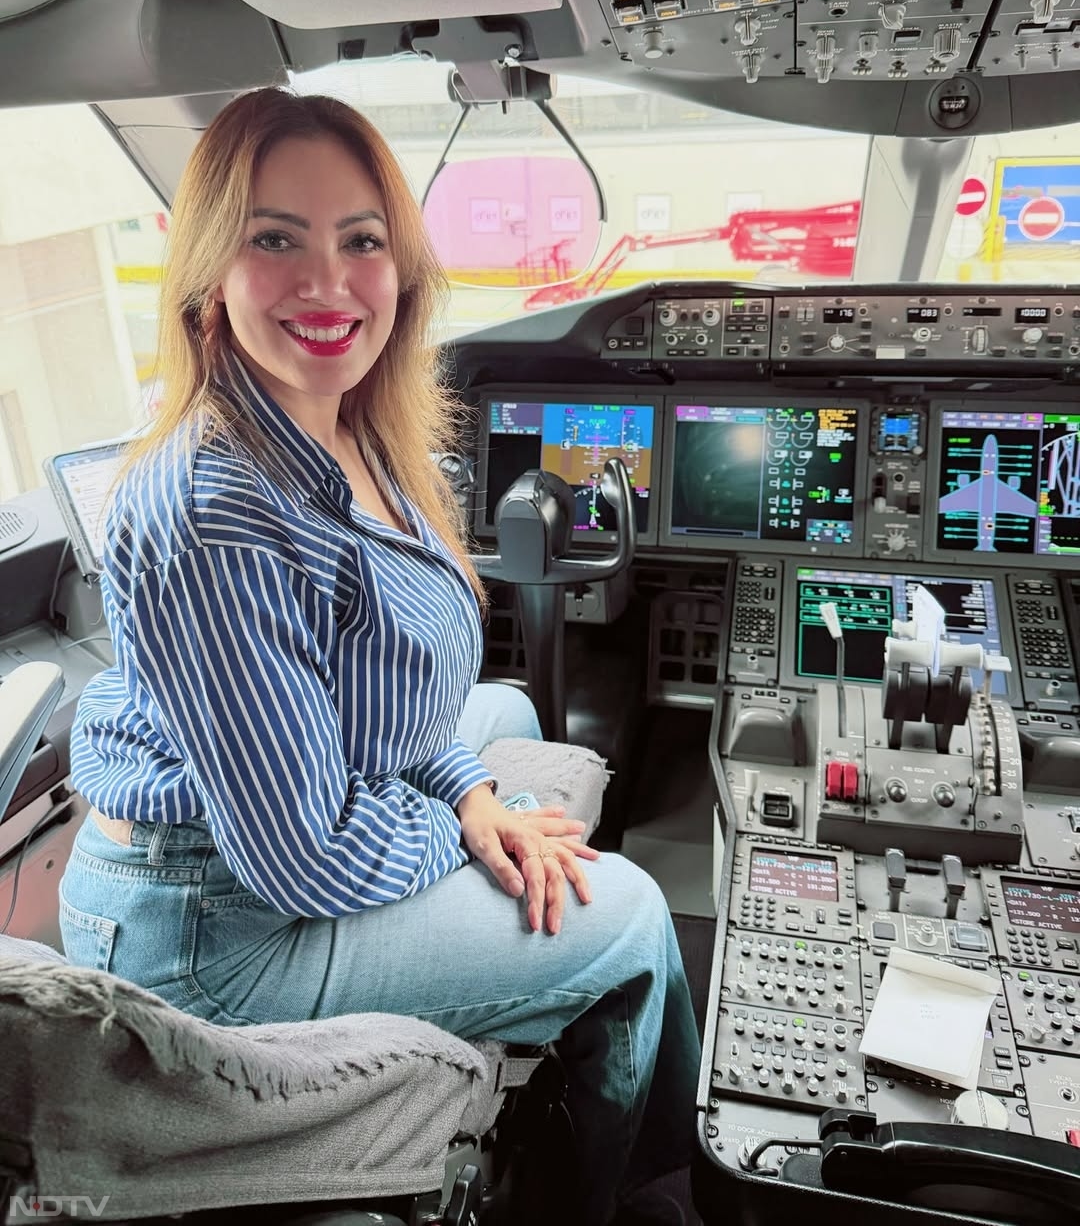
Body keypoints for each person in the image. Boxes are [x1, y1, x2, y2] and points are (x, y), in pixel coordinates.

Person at [59, 87, 700, 1225]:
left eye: (360, 240)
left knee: (502, 711)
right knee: (637, 917)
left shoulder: (351, 425)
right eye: (275, 240)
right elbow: (303, 857)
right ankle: (638, 1198)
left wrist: (474, 790)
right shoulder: (214, 509)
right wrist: (474, 824)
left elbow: (395, 706)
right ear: (210, 272)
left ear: (400, 264)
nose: (328, 284)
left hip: (252, 833)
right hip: (214, 926)